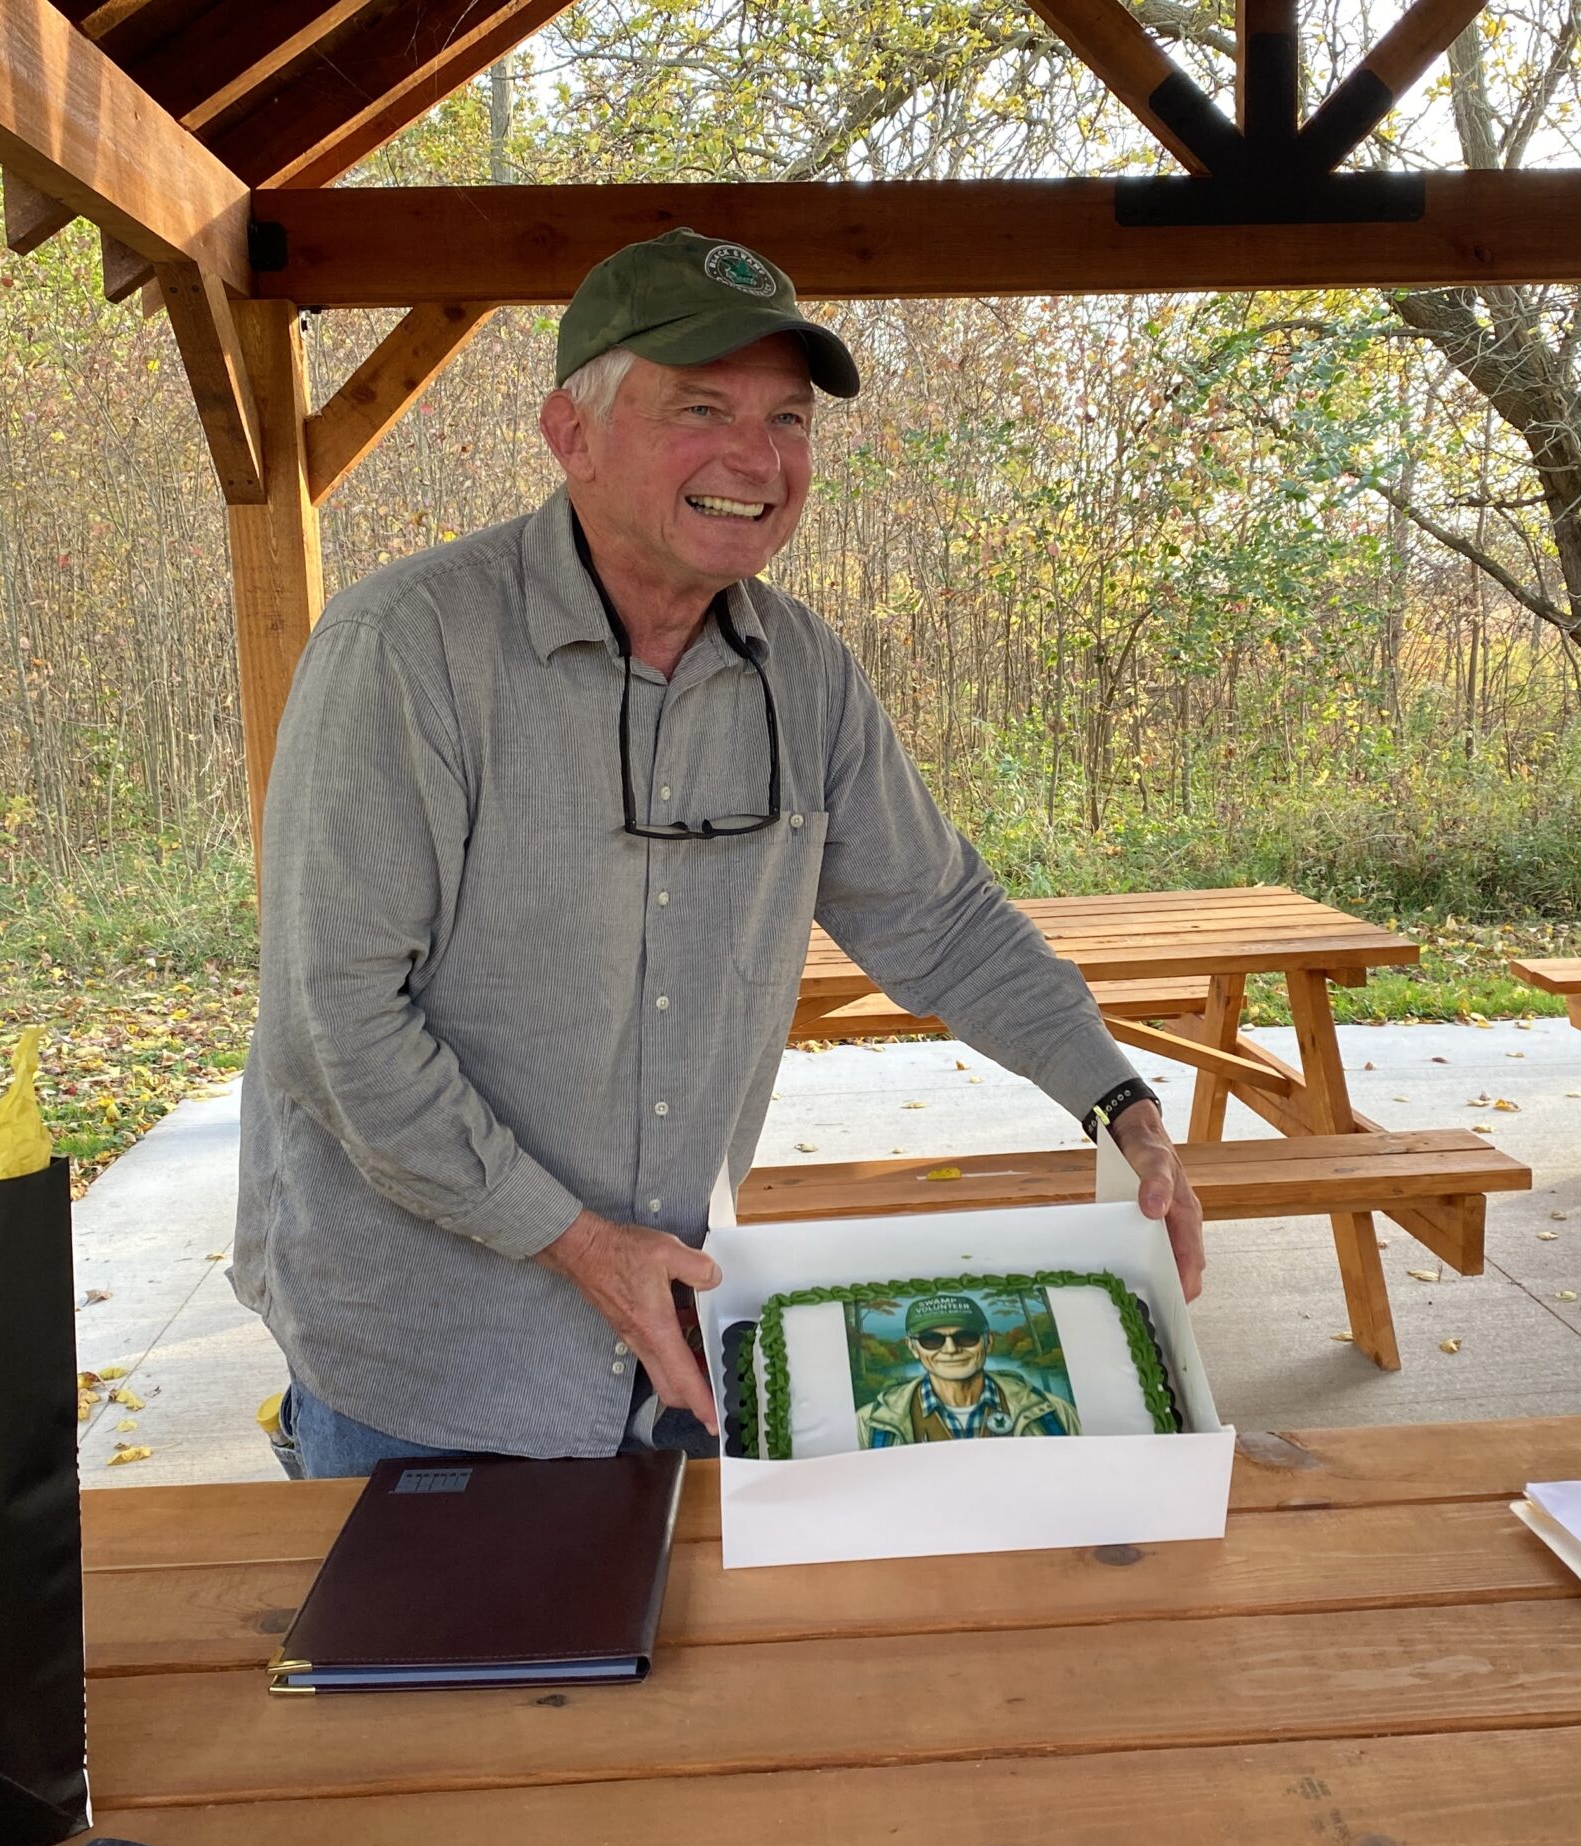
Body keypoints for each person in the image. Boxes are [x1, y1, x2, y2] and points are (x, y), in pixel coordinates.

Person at [234, 228, 1206, 1474]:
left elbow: (942, 920)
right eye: (701, 408)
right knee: (444, 1680)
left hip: (682, 1344)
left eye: (788, 421)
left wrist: (1118, 1105)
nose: (758, 459)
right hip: (429, 1367)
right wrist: (577, 1244)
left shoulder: (800, 670)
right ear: (571, 434)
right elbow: (335, 1023)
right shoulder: (406, 649)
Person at [858, 1294, 1078, 1446]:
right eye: (931, 1340)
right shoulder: (869, 1422)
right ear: (913, 1348)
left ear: (988, 1342)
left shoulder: (1053, 1413)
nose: (951, 1349)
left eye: (966, 1337)